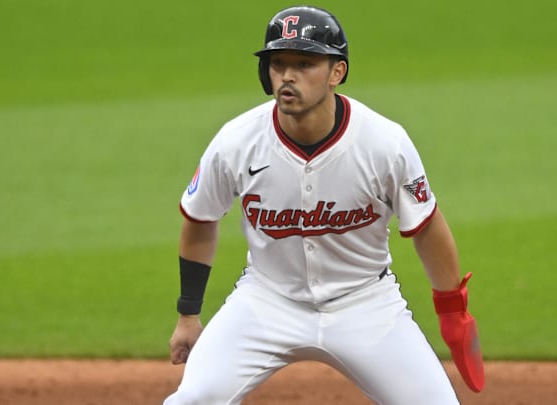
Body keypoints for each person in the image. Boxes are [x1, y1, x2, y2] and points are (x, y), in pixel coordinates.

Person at [164, 5, 484, 405]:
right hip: (266, 302)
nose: (288, 75)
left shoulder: (385, 143)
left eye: (305, 62)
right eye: (278, 63)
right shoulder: (236, 141)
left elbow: (426, 226)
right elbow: (200, 218)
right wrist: (188, 314)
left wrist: (452, 311)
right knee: (193, 398)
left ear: (337, 72)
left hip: (366, 305)